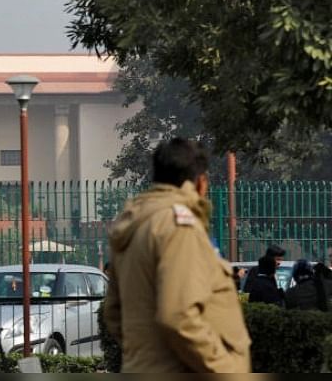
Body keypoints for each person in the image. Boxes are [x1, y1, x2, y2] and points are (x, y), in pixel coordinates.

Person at [104, 136, 250, 372]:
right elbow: (179, 316)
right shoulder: (178, 226)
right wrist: (224, 367)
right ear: (201, 183)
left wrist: (149, 354)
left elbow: (113, 313)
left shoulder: (137, 225)